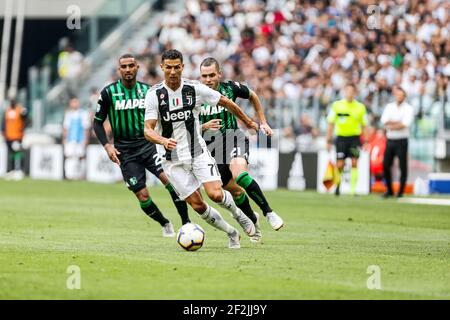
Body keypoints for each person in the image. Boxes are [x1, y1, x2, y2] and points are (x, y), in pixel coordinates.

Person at [144, 49, 259, 249]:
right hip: (171, 159)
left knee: (215, 194)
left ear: (182, 67)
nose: (172, 72)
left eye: (176, 67)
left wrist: (248, 121)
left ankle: (239, 215)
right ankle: (231, 233)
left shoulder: (195, 88)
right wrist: (162, 140)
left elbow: (226, 102)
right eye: (168, 67)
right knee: (197, 205)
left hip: (197, 151)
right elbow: (148, 129)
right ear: (162, 67)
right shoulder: (154, 94)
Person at [93, 53, 191, 238]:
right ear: (119, 70)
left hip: (149, 146)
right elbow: (97, 122)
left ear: (138, 68)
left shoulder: (149, 91)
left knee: (171, 182)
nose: (128, 69)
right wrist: (107, 146)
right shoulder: (108, 93)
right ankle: (165, 223)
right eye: (124, 66)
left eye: (131, 65)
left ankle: (186, 223)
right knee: (143, 196)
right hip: (125, 153)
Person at [198, 57, 284, 243]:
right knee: (235, 192)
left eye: (212, 75)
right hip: (211, 149)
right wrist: (203, 126)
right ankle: (252, 219)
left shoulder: (230, 88)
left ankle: (269, 212)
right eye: (204, 76)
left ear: (219, 74)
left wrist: (263, 121)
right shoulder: (194, 95)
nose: (208, 80)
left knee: (240, 175)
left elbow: (252, 95)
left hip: (233, 138)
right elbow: (187, 123)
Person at [326, 83, 368, 196]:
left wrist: (366, 141)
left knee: (354, 162)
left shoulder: (360, 107)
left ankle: (353, 190)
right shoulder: (336, 105)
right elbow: (330, 123)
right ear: (344, 92)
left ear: (355, 93)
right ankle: (338, 186)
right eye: (347, 91)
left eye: (352, 91)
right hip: (341, 138)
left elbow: (364, 125)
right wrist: (328, 140)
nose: (349, 93)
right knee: (340, 164)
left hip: (354, 138)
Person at [380, 86, 414, 198]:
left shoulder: (408, 108)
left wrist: (391, 125)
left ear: (404, 96)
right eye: (398, 94)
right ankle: (389, 189)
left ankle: (400, 191)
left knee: (402, 166)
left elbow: (405, 124)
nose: (399, 97)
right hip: (390, 140)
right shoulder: (389, 107)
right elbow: (384, 121)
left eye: (401, 95)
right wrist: (397, 123)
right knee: (385, 165)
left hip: (402, 140)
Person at [62, 97, 90, 180]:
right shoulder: (68, 114)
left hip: (80, 139)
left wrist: (86, 139)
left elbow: (86, 127)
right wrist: (64, 138)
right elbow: (65, 127)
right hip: (70, 139)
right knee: (69, 156)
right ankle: (68, 174)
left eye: (75, 102)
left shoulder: (83, 114)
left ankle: (81, 174)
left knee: (81, 156)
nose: (74, 104)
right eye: (72, 102)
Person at [1, 98, 27, 180]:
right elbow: (4, 123)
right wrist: (3, 132)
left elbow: (25, 118)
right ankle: (11, 170)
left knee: (18, 152)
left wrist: (24, 111)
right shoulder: (8, 111)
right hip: (8, 136)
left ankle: (20, 170)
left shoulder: (19, 110)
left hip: (17, 136)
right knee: (11, 154)